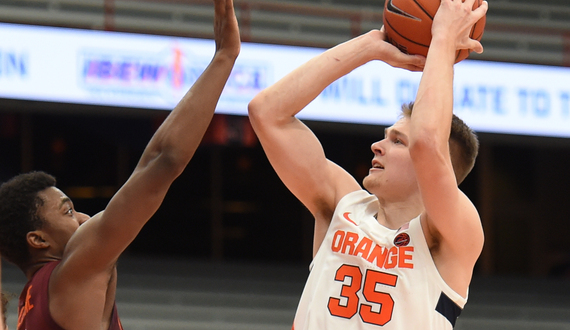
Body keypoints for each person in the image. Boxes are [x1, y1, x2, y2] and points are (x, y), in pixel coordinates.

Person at [248, 0, 488, 329]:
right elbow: (267, 112)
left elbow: (427, 145)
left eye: (397, 141)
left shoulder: (450, 234)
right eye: (386, 137)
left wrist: (443, 40)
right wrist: (370, 46)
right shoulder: (342, 204)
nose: (377, 146)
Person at [0, 0, 240, 328]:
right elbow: (163, 162)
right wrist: (224, 57)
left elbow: (150, 159)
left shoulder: (29, 307)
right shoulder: (71, 271)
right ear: (38, 240)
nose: (84, 217)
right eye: (68, 211)